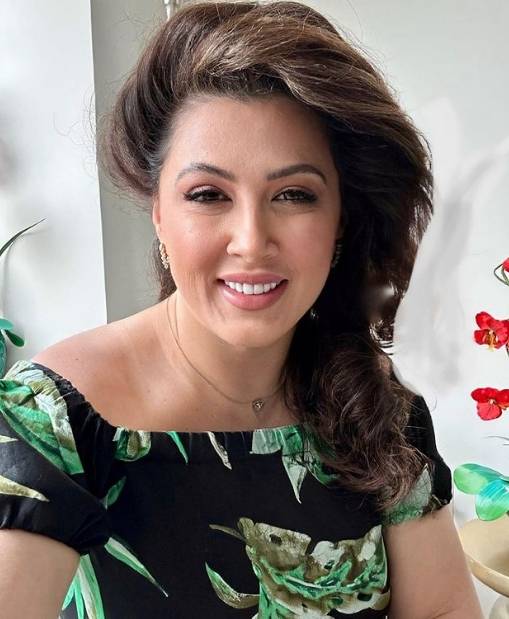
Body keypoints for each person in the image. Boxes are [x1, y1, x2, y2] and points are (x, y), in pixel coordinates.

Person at [0, 1, 483, 617]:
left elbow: (442, 608)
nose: (252, 241)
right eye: (208, 195)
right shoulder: (54, 422)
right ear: (158, 212)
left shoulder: (377, 406)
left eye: (294, 194)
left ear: (340, 220)